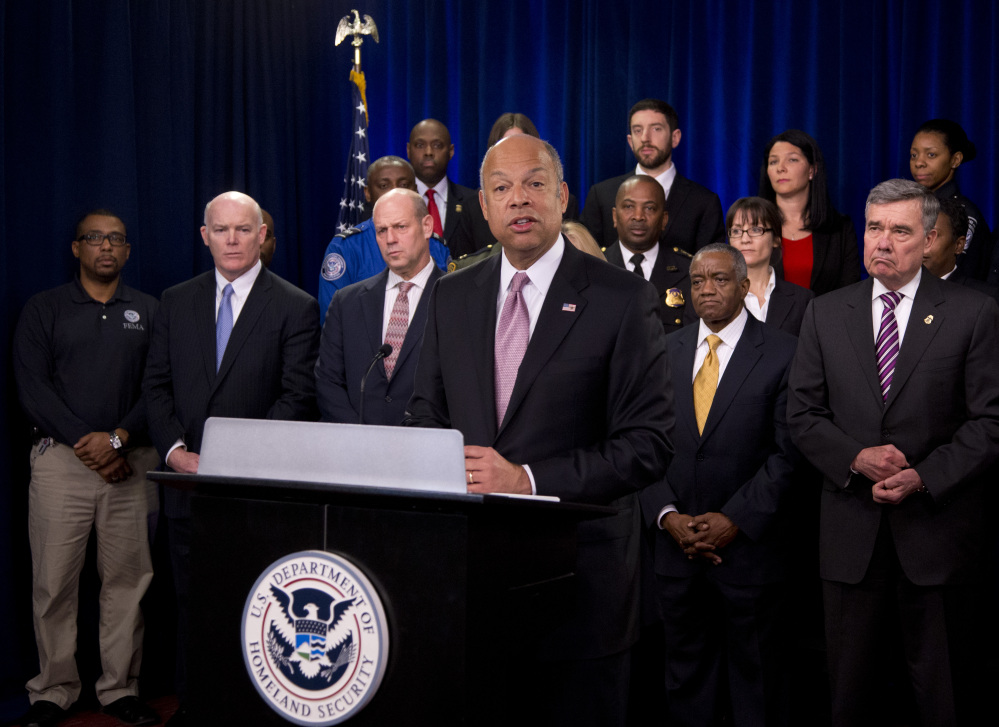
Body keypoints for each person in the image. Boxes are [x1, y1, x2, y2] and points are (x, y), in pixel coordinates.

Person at [405, 134, 673, 726]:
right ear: (483, 204)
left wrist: (527, 479)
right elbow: (425, 414)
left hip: (583, 589)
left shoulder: (623, 298)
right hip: (471, 582)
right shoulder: (451, 294)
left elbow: (648, 445)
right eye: (502, 188)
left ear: (563, 195)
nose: (518, 199)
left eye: (534, 184)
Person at [787, 179, 999, 726]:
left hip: (937, 538)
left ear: (930, 240)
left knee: (943, 697)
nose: (881, 241)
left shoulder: (974, 312)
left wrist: (923, 477)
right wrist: (856, 458)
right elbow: (803, 415)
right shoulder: (825, 312)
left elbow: (990, 420)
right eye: (874, 227)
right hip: (850, 538)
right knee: (850, 699)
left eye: (899, 231)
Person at [143, 191, 320, 726]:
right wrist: (174, 451)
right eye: (221, 230)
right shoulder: (175, 301)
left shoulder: (295, 305)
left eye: (243, 230)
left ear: (262, 234)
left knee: (256, 608)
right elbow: (156, 386)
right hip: (187, 488)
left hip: (256, 491)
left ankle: (252, 711)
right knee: (191, 605)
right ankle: (193, 707)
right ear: (205, 236)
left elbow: (297, 397)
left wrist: (240, 455)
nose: (233, 240)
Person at [640, 243, 799, 727]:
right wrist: (667, 515)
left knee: (757, 686)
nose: (706, 290)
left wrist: (735, 519)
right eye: (697, 281)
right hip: (676, 552)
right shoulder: (664, 351)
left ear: (745, 286)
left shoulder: (784, 351)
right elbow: (641, 445)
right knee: (685, 682)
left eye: (720, 280)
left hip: (750, 555)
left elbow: (790, 452)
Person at [13, 210, 161, 727]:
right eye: (95, 238)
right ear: (76, 248)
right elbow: (32, 387)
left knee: (127, 583)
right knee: (54, 584)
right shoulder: (44, 309)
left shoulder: (149, 310)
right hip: (61, 462)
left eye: (116, 239)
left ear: (126, 251)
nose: (106, 246)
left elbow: (159, 389)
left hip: (132, 463)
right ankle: (53, 691)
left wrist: (118, 439)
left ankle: (119, 689)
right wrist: (89, 442)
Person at [315, 188, 442, 425]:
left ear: (427, 226)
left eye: (400, 227)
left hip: (427, 449)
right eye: (382, 230)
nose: (390, 239)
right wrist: (362, 439)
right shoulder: (346, 302)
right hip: (357, 449)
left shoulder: (457, 298)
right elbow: (327, 382)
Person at [580, 98, 724, 253]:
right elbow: (586, 261)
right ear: (630, 141)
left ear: (675, 138)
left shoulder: (704, 202)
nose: (645, 138)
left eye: (656, 129)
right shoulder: (602, 195)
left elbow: (711, 269)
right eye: (637, 130)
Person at [318, 155, 450, 324]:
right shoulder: (345, 247)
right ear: (367, 193)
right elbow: (334, 322)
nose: (394, 191)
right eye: (383, 186)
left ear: (416, 190)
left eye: (403, 185)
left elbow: (448, 310)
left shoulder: (437, 246)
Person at [759, 129, 861, 295]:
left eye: (792, 160)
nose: (780, 168)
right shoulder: (752, 227)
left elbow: (850, 291)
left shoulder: (840, 228)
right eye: (773, 162)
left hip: (827, 319)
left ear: (812, 170)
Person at [602, 175, 696, 334]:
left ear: (664, 220)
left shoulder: (689, 272)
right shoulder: (594, 265)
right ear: (614, 216)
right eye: (629, 206)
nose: (638, 216)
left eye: (650, 208)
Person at [909, 118, 994, 281]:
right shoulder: (910, 207)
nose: (919, 162)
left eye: (931, 155)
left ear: (955, 160)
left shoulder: (964, 213)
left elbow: (961, 275)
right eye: (913, 155)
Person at [726, 197, 813, 336]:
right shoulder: (718, 295)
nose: (745, 239)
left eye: (755, 230)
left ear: (776, 239)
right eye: (736, 231)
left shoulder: (803, 300)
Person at [406, 118, 481, 258]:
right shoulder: (396, 203)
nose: (428, 152)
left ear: (451, 151)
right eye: (420, 145)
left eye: (437, 145)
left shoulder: (473, 202)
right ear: (408, 150)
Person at [486, 113, 580, 219]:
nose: (518, 199)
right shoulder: (473, 206)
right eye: (501, 188)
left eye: (520, 145)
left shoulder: (560, 199)